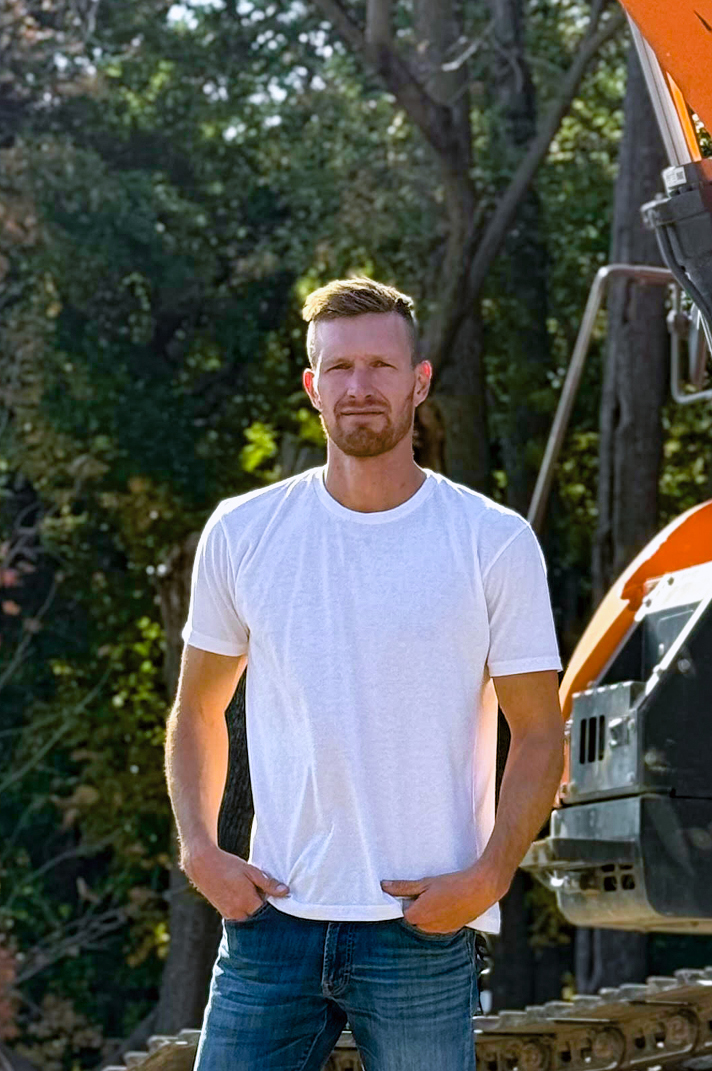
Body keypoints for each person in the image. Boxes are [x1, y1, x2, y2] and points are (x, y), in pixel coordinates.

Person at [165, 277, 566, 1071]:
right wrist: (201, 852)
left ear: (418, 383)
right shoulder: (245, 532)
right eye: (340, 368)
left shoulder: (491, 541)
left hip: (418, 923)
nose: (359, 386)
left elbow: (541, 731)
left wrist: (488, 875)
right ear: (313, 387)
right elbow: (196, 711)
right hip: (271, 920)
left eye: (380, 366)